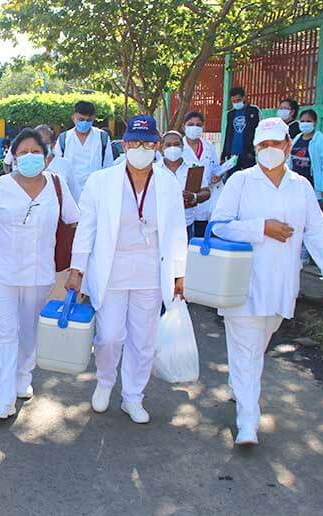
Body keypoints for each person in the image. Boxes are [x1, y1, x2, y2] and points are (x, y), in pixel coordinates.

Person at [211, 117, 323, 445]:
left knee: (258, 342)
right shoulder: (240, 182)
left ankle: (238, 388)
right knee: (248, 349)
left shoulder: (301, 185)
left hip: (282, 284)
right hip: (241, 283)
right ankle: (247, 421)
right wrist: (260, 227)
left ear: (287, 145)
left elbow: (317, 229)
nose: (269, 151)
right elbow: (219, 225)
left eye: (275, 144)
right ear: (255, 148)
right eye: (263, 145)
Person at [65, 115, 187, 424]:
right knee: (108, 336)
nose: (141, 149)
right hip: (112, 269)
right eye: (135, 142)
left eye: (148, 143)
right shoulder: (101, 181)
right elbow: (86, 228)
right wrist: (77, 268)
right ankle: (105, 382)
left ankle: (133, 396)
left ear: (157, 146)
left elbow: (176, 231)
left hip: (150, 270)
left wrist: (179, 273)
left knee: (142, 339)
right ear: (125, 143)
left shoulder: (168, 184)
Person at [0, 128, 80, 419]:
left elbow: (76, 223)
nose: (30, 157)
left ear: (47, 155)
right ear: (13, 157)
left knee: (29, 331)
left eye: (36, 152)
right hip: (1, 272)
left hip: (40, 273)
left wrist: (78, 268)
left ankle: (22, 379)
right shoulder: (1, 186)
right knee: (5, 332)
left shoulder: (57, 185)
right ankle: (2, 400)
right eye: (23, 152)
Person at [53, 100, 115, 200]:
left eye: (88, 120)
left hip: (96, 193)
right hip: (69, 194)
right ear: (73, 118)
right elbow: (57, 169)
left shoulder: (102, 137)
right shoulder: (63, 139)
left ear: (93, 119)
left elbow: (108, 167)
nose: (85, 123)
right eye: (81, 119)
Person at [160, 131, 210, 240]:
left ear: (182, 147)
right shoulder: (154, 169)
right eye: (168, 145)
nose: (172, 148)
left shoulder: (194, 167)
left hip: (186, 225)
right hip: (160, 226)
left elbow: (206, 192)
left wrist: (194, 197)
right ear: (161, 147)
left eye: (176, 144)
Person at [182, 112, 223, 237]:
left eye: (198, 125)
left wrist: (218, 175)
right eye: (191, 124)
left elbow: (215, 167)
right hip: (185, 198)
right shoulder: (178, 146)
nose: (195, 127)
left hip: (205, 197)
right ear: (183, 127)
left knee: (202, 233)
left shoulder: (208, 146)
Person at [287, 109, 323, 200]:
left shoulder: (322, 141)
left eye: (308, 121)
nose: (305, 124)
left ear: (315, 123)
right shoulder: (297, 138)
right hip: (296, 184)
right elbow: (289, 160)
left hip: (312, 184)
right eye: (302, 121)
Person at [222, 86, 261, 173]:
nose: (236, 103)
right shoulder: (230, 114)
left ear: (244, 98)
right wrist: (224, 155)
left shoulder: (254, 111)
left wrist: (253, 152)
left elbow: (259, 131)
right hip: (232, 156)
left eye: (238, 100)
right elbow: (228, 134)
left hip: (248, 154)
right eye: (233, 101)